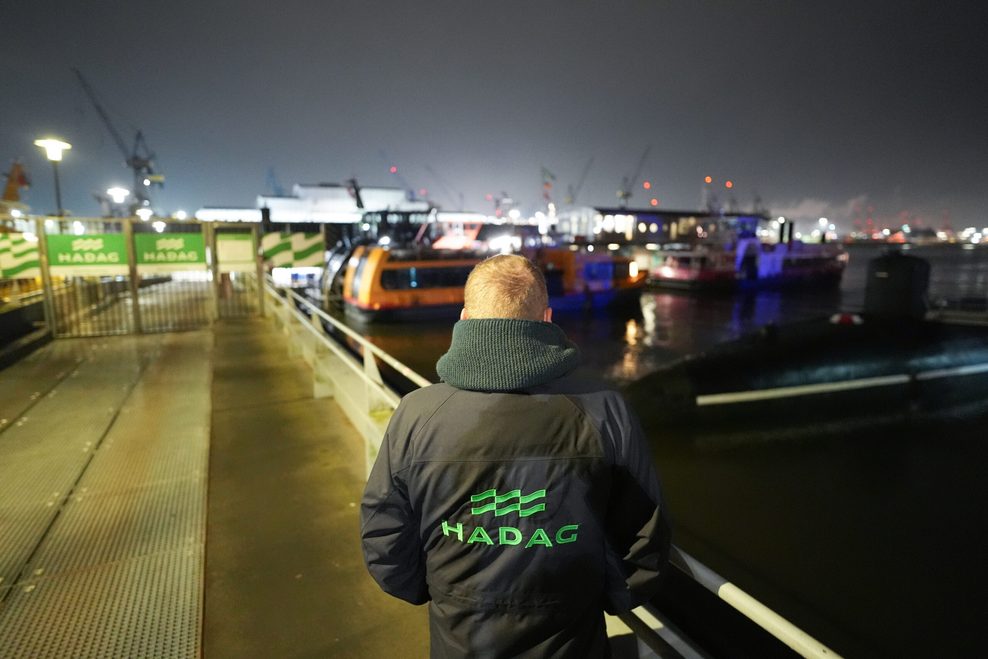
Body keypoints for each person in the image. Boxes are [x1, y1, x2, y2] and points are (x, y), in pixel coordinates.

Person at [361, 254, 670, 658]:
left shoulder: (417, 413)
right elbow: (645, 533)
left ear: (465, 318)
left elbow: (384, 535)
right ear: (546, 318)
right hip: (572, 640)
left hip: (459, 639)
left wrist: (442, 592)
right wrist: (605, 598)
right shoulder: (604, 410)